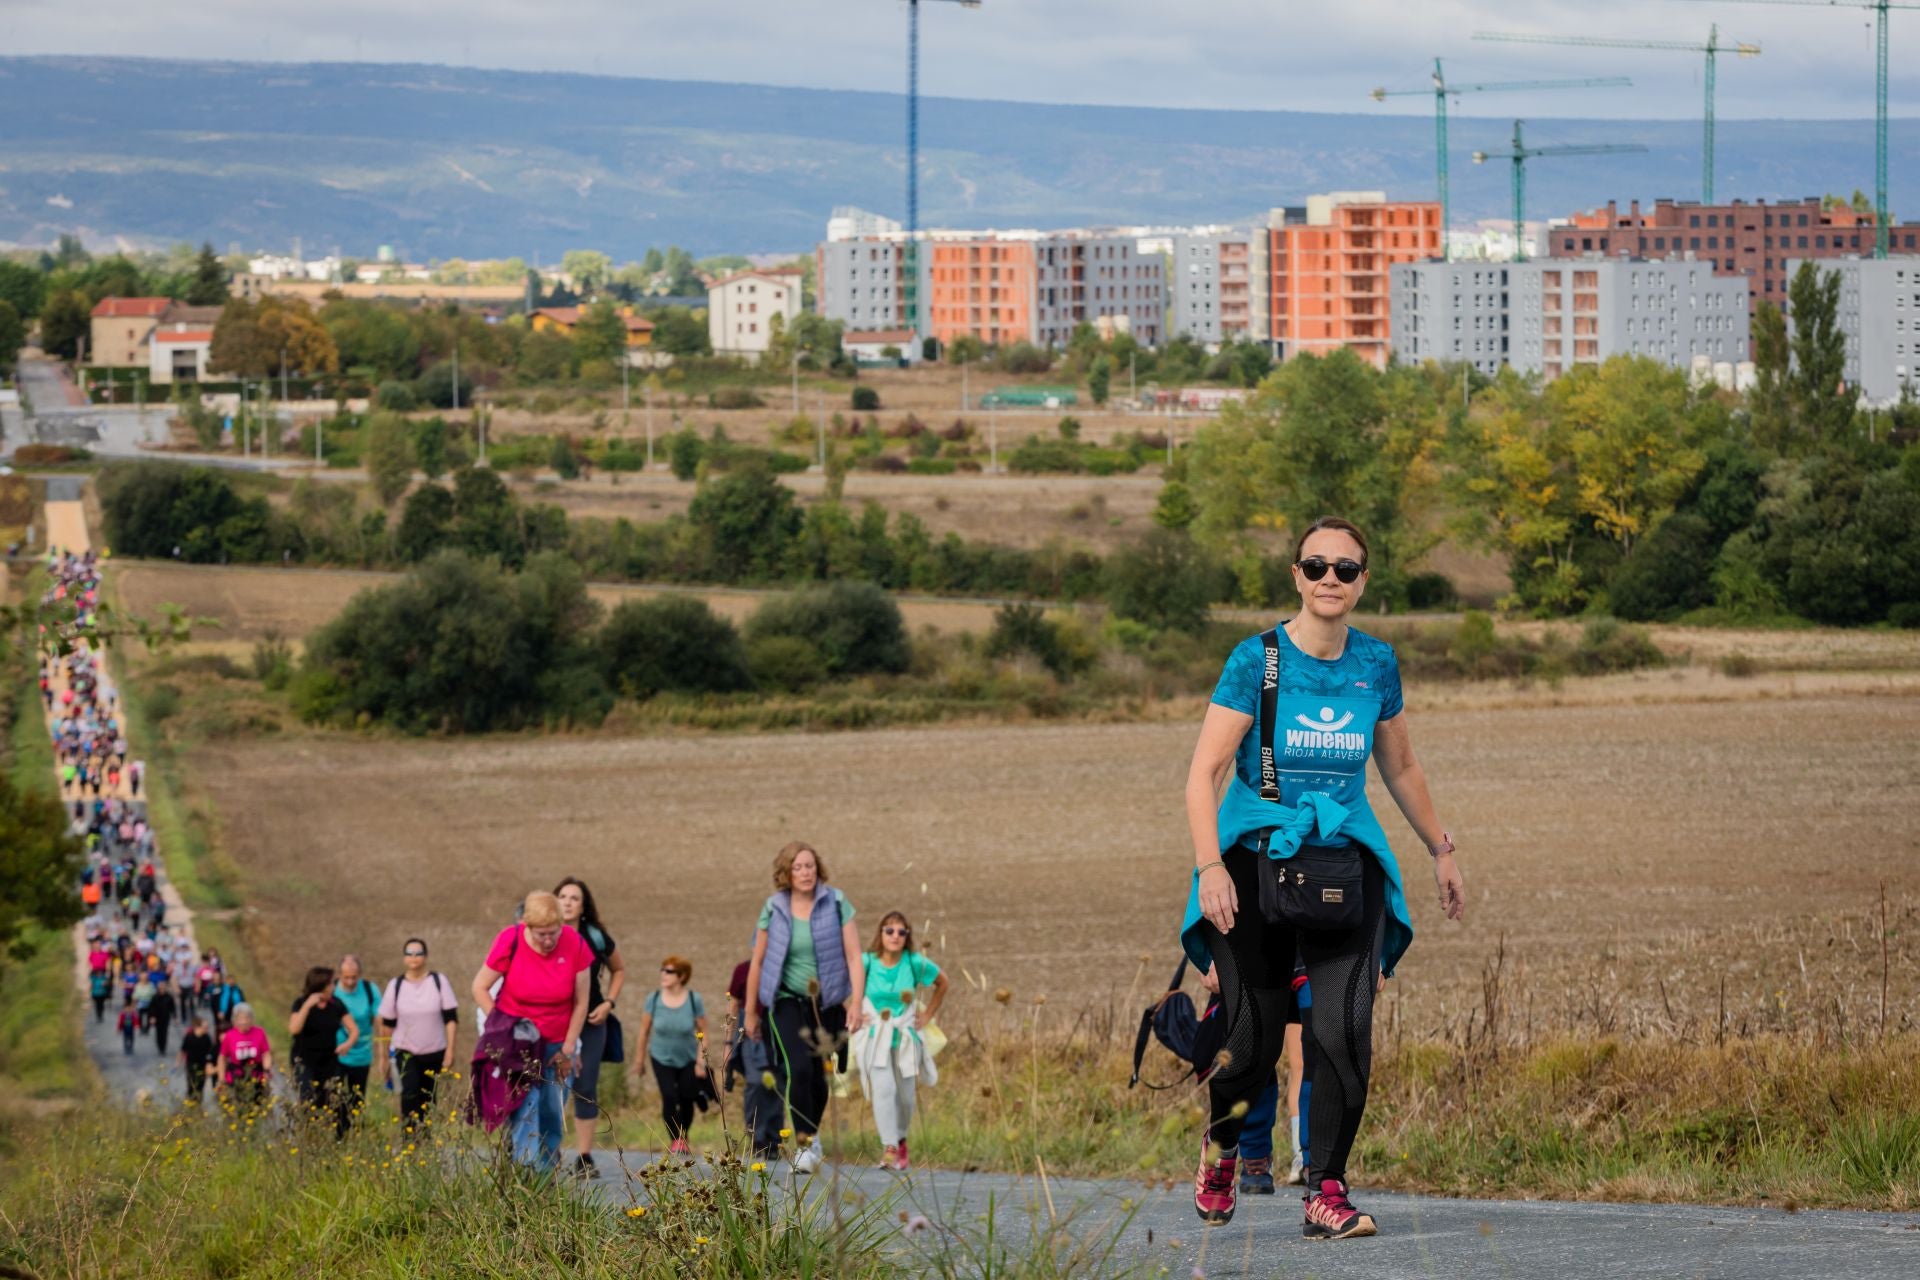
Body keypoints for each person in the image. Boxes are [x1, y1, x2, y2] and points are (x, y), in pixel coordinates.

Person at [1182, 516, 1466, 1238]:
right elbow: (1205, 771)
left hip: (1343, 862)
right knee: (1251, 1044)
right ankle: (1222, 1147)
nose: (1330, 580)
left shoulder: (1376, 663)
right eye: (1317, 567)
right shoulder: (1257, 662)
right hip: (1253, 861)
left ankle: (1326, 1188)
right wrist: (1210, 865)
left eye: (1346, 569)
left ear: (1364, 580)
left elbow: (1399, 765)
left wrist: (1440, 847)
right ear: (1296, 577)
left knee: (1345, 1031)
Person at [744, 841, 865, 1175]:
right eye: (797, 867)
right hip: (785, 1002)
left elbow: (854, 956)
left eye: (809, 866)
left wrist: (855, 1003)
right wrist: (751, 1011)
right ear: (786, 872)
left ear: (818, 869)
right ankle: (804, 1142)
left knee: (818, 1075)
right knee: (797, 1067)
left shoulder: (836, 902)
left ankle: (812, 1135)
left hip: (825, 1004)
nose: (805, 872)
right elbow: (758, 960)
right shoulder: (774, 907)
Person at [470, 891, 591, 1172]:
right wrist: (502, 1026)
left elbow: (581, 1002)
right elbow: (479, 987)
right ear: (527, 926)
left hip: (557, 1046)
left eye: (553, 933)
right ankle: (525, 1177)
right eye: (541, 934)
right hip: (519, 1046)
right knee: (526, 1110)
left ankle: (546, 1179)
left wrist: (569, 1048)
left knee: (551, 1112)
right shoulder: (509, 940)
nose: (548, 941)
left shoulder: (575, 944)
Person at [851, 911, 949, 1172]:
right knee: (884, 1090)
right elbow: (842, 986)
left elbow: (943, 982)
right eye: (889, 930)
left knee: (905, 1096)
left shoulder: (915, 962)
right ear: (880, 934)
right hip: (875, 1037)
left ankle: (901, 1137)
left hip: (906, 1036)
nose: (895, 936)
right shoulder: (867, 962)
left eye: (901, 932)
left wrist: (927, 1015)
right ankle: (890, 1147)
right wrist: (854, 1010)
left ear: (907, 937)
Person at [555, 877, 626, 1178]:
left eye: (575, 898)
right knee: (552, 1086)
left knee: (585, 1086)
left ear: (584, 907)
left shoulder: (595, 936)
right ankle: (549, 1149)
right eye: (563, 896)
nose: (568, 902)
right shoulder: (546, 934)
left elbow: (619, 969)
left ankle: (584, 1158)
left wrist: (609, 1002)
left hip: (592, 1022)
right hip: (555, 1021)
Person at [381, 937, 460, 1127]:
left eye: (418, 953)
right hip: (405, 1051)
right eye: (409, 953)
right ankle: (410, 1144)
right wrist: (384, 1057)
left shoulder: (438, 981)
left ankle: (426, 1143)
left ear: (426, 956)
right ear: (404, 958)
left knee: (428, 1099)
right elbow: (386, 1024)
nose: (414, 957)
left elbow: (451, 1019)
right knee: (409, 1095)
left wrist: (450, 1050)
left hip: (434, 1051)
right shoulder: (396, 985)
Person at [634, 956, 707, 1156]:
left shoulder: (694, 1000)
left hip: (688, 1057)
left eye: (669, 971)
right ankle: (676, 1139)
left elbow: (704, 1032)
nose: (663, 974)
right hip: (660, 1057)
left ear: (682, 976)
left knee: (686, 1097)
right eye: (662, 970)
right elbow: (644, 1031)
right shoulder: (654, 999)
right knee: (669, 1095)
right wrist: (639, 1060)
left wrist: (701, 1061)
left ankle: (684, 1135)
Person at [288, 965, 359, 1138]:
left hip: (328, 1060)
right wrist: (307, 1006)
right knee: (307, 1098)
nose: (333, 987)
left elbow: (354, 1030)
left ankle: (338, 1140)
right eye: (330, 984)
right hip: (304, 1060)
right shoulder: (300, 1003)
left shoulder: (336, 1004)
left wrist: (348, 1044)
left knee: (335, 1100)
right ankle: (307, 1137)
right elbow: (294, 1029)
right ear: (320, 986)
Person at [333, 954, 382, 1114]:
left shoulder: (370, 990)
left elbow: (380, 1020)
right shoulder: (331, 991)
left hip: (362, 1053)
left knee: (356, 1102)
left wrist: (383, 1053)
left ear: (359, 975)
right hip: (336, 1053)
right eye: (346, 977)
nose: (350, 982)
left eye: (354, 977)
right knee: (335, 1100)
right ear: (339, 974)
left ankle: (352, 1134)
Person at [217, 1003, 272, 1112]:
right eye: (240, 1018)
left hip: (256, 1076)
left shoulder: (259, 1032)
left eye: (247, 1018)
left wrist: (266, 1070)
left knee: (258, 1110)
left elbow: (266, 1053)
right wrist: (221, 1079)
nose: (244, 1021)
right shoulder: (229, 1035)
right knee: (237, 1110)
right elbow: (222, 1058)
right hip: (236, 1078)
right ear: (234, 1020)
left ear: (252, 1019)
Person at [180, 1015, 217, 1105]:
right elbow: (183, 1050)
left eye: (207, 1027)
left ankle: (198, 1103)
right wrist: (179, 1062)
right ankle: (190, 1101)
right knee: (191, 1083)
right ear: (197, 1027)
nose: (207, 1029)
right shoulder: (189, 1037)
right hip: (191, 1064)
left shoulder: (207, 1038)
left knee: (201, 1084)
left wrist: (210, 1064)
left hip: (202, 1065)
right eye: (204, 1027)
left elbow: (210, 1052)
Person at [149, 978, 178, 1055]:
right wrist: (152, 1017)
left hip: (166, 1017)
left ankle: (163, 1048)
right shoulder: (155, 996)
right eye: (160, 988)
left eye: (163, 987)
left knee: (165, 1033)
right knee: (158, 1033)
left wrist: (175, 1017)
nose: (162, 989)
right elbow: (152, 1007)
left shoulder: (169, 997)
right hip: (157, 1017)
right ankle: (159, 1046)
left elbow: (173, 1007)